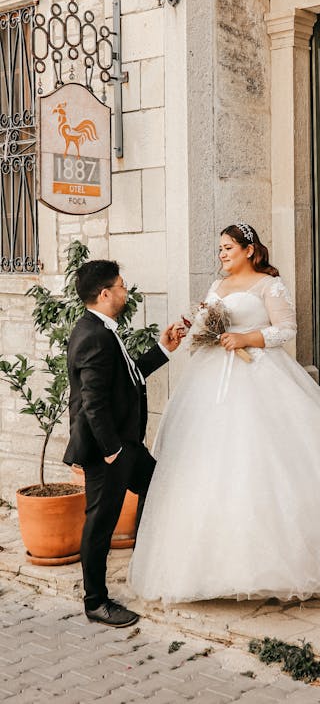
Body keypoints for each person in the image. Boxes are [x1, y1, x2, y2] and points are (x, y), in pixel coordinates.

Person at [129, 224, 320, 604]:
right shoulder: (218, 287)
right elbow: (206, 326)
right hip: (212, 384)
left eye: (228, 247)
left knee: (264, 459)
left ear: (249, 249)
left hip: (260, 377)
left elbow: (287, 330)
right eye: (220, 248)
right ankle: (212, 566)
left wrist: (248, 338)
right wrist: (190, 329)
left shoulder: (268, 285)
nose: (222, 254)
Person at [64, 259, 182, 627]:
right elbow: (92, 402)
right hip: (109, 450)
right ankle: (95, 602)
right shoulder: (94, 336)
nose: (125, 291)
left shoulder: (102, 330)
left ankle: (153, 562)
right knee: (100, 523)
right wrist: (112, 450)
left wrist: (164, 349)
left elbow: (127, 377)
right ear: (105, 294)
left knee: (161, 489)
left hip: (125, 445)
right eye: (120, 285)